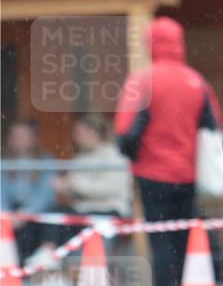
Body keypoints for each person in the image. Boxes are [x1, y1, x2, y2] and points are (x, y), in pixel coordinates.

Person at [114, 17, 221, 286]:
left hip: (152, 175)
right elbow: (212, 127)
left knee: (160, 244)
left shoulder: (143, 81)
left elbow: (126, 134)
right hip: (187, 175)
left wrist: (135, 155)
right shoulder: (196, 81)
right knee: (185, 243)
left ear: (150, 44)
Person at [25, 114, 133, 271]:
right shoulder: (80, 158)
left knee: (72, 225)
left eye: (79, 132)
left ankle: (65, 264)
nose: (76, 137)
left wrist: (73, 184)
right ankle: (48, 254)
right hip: (81, 211)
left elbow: (108, 189)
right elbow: (77, 193)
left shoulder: (115, 157)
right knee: (52, 214)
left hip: (107, 211)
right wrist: (64, 187)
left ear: (93, 133)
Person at [1, 120, 55, 263]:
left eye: (23, 136)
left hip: (36, 212)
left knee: (40, 224)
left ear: (32, 138)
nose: (18, 140)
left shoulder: (45, 160)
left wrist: (25, 213)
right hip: (11, 212)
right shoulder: (4, 161)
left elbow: (45, 194)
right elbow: (1, 191)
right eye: (15, 136)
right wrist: (5, 214)